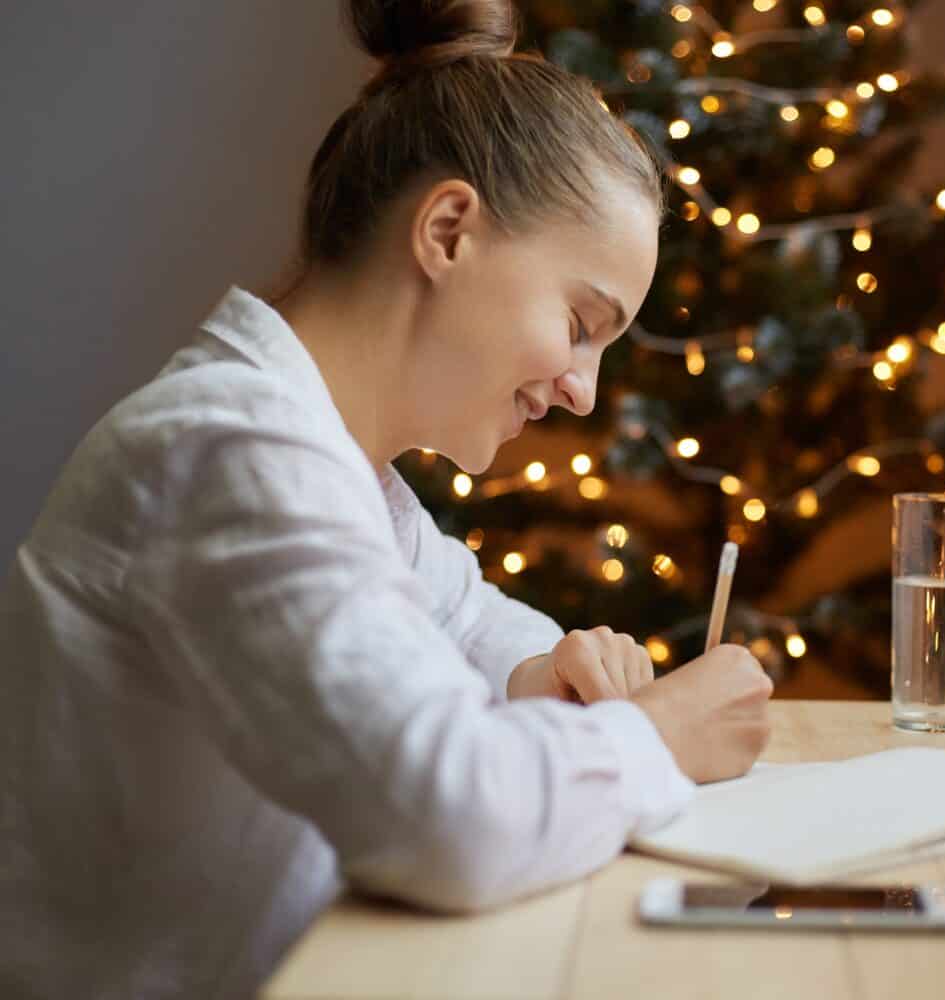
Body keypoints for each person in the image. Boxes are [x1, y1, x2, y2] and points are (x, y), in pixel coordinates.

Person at [0, 1, 774, 996]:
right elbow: (448, 817)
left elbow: (468, 622)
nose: (583, 388)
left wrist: (545, 674)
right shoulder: (229, 452)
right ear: (448, 230)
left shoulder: (344, 473)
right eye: (581, 322)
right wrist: (657, 735)